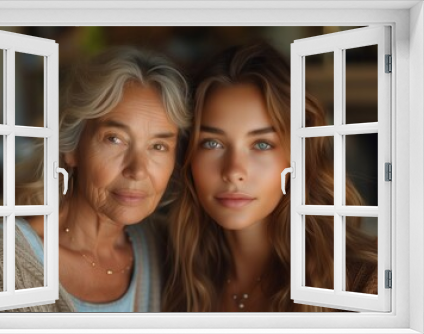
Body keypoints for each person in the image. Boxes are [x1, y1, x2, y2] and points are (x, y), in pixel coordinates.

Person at [0, 47, 191, 312]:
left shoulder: (167, 244)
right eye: (115, 139)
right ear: (71, 148)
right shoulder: (4, 257)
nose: (138, 170)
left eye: (158, 146)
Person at [162, 42, 378, 312]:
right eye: (212, 143)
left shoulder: (365, 284)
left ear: (296, 156)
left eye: (262, 144)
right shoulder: (169, 279)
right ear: (187, 155)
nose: (234, 172)